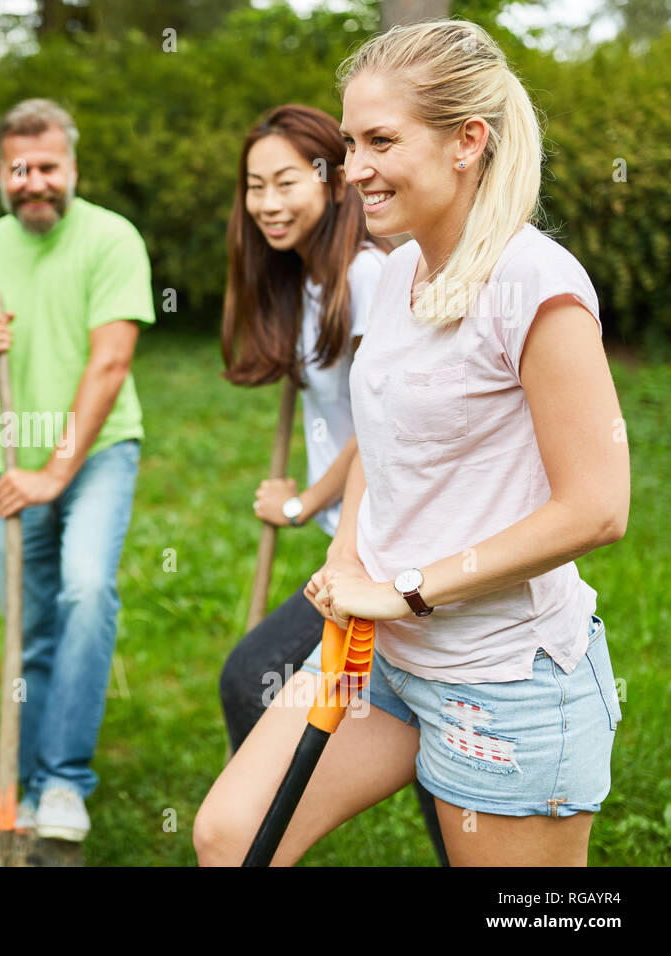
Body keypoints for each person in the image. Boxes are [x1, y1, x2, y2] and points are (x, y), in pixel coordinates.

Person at [195, 19, 628, 867]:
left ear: (468, 141)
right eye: (351, 141)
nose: (352, 169)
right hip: (382, 657)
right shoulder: (397, 273)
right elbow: (379, 445)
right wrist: (353, 558)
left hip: (500, 679)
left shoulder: (535, 284)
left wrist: (408, 588)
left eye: (380, 141)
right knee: (229, 835)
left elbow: (598, 508)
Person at [213, 104, 447, 859]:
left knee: (255, 676)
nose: (269, 202)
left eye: (287, 181)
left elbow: (382, 418)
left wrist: (302, 500)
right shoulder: (312, 276)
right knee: (421, 723)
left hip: (387, 546)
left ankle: (268, 829)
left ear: (329, 177)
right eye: (255, 187)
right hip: (356, 544)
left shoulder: (370, 271)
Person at [0, 98, 154, 841]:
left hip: (96, 453)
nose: (35, 182)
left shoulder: (111, 239)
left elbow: (111, 361)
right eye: (19, 169)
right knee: (27, 630)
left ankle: (63, 781)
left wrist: (55, 473)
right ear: (2, 172)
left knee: (87, 590)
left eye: (48, 167)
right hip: (12, 457)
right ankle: (23, 786)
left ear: (73, 168)